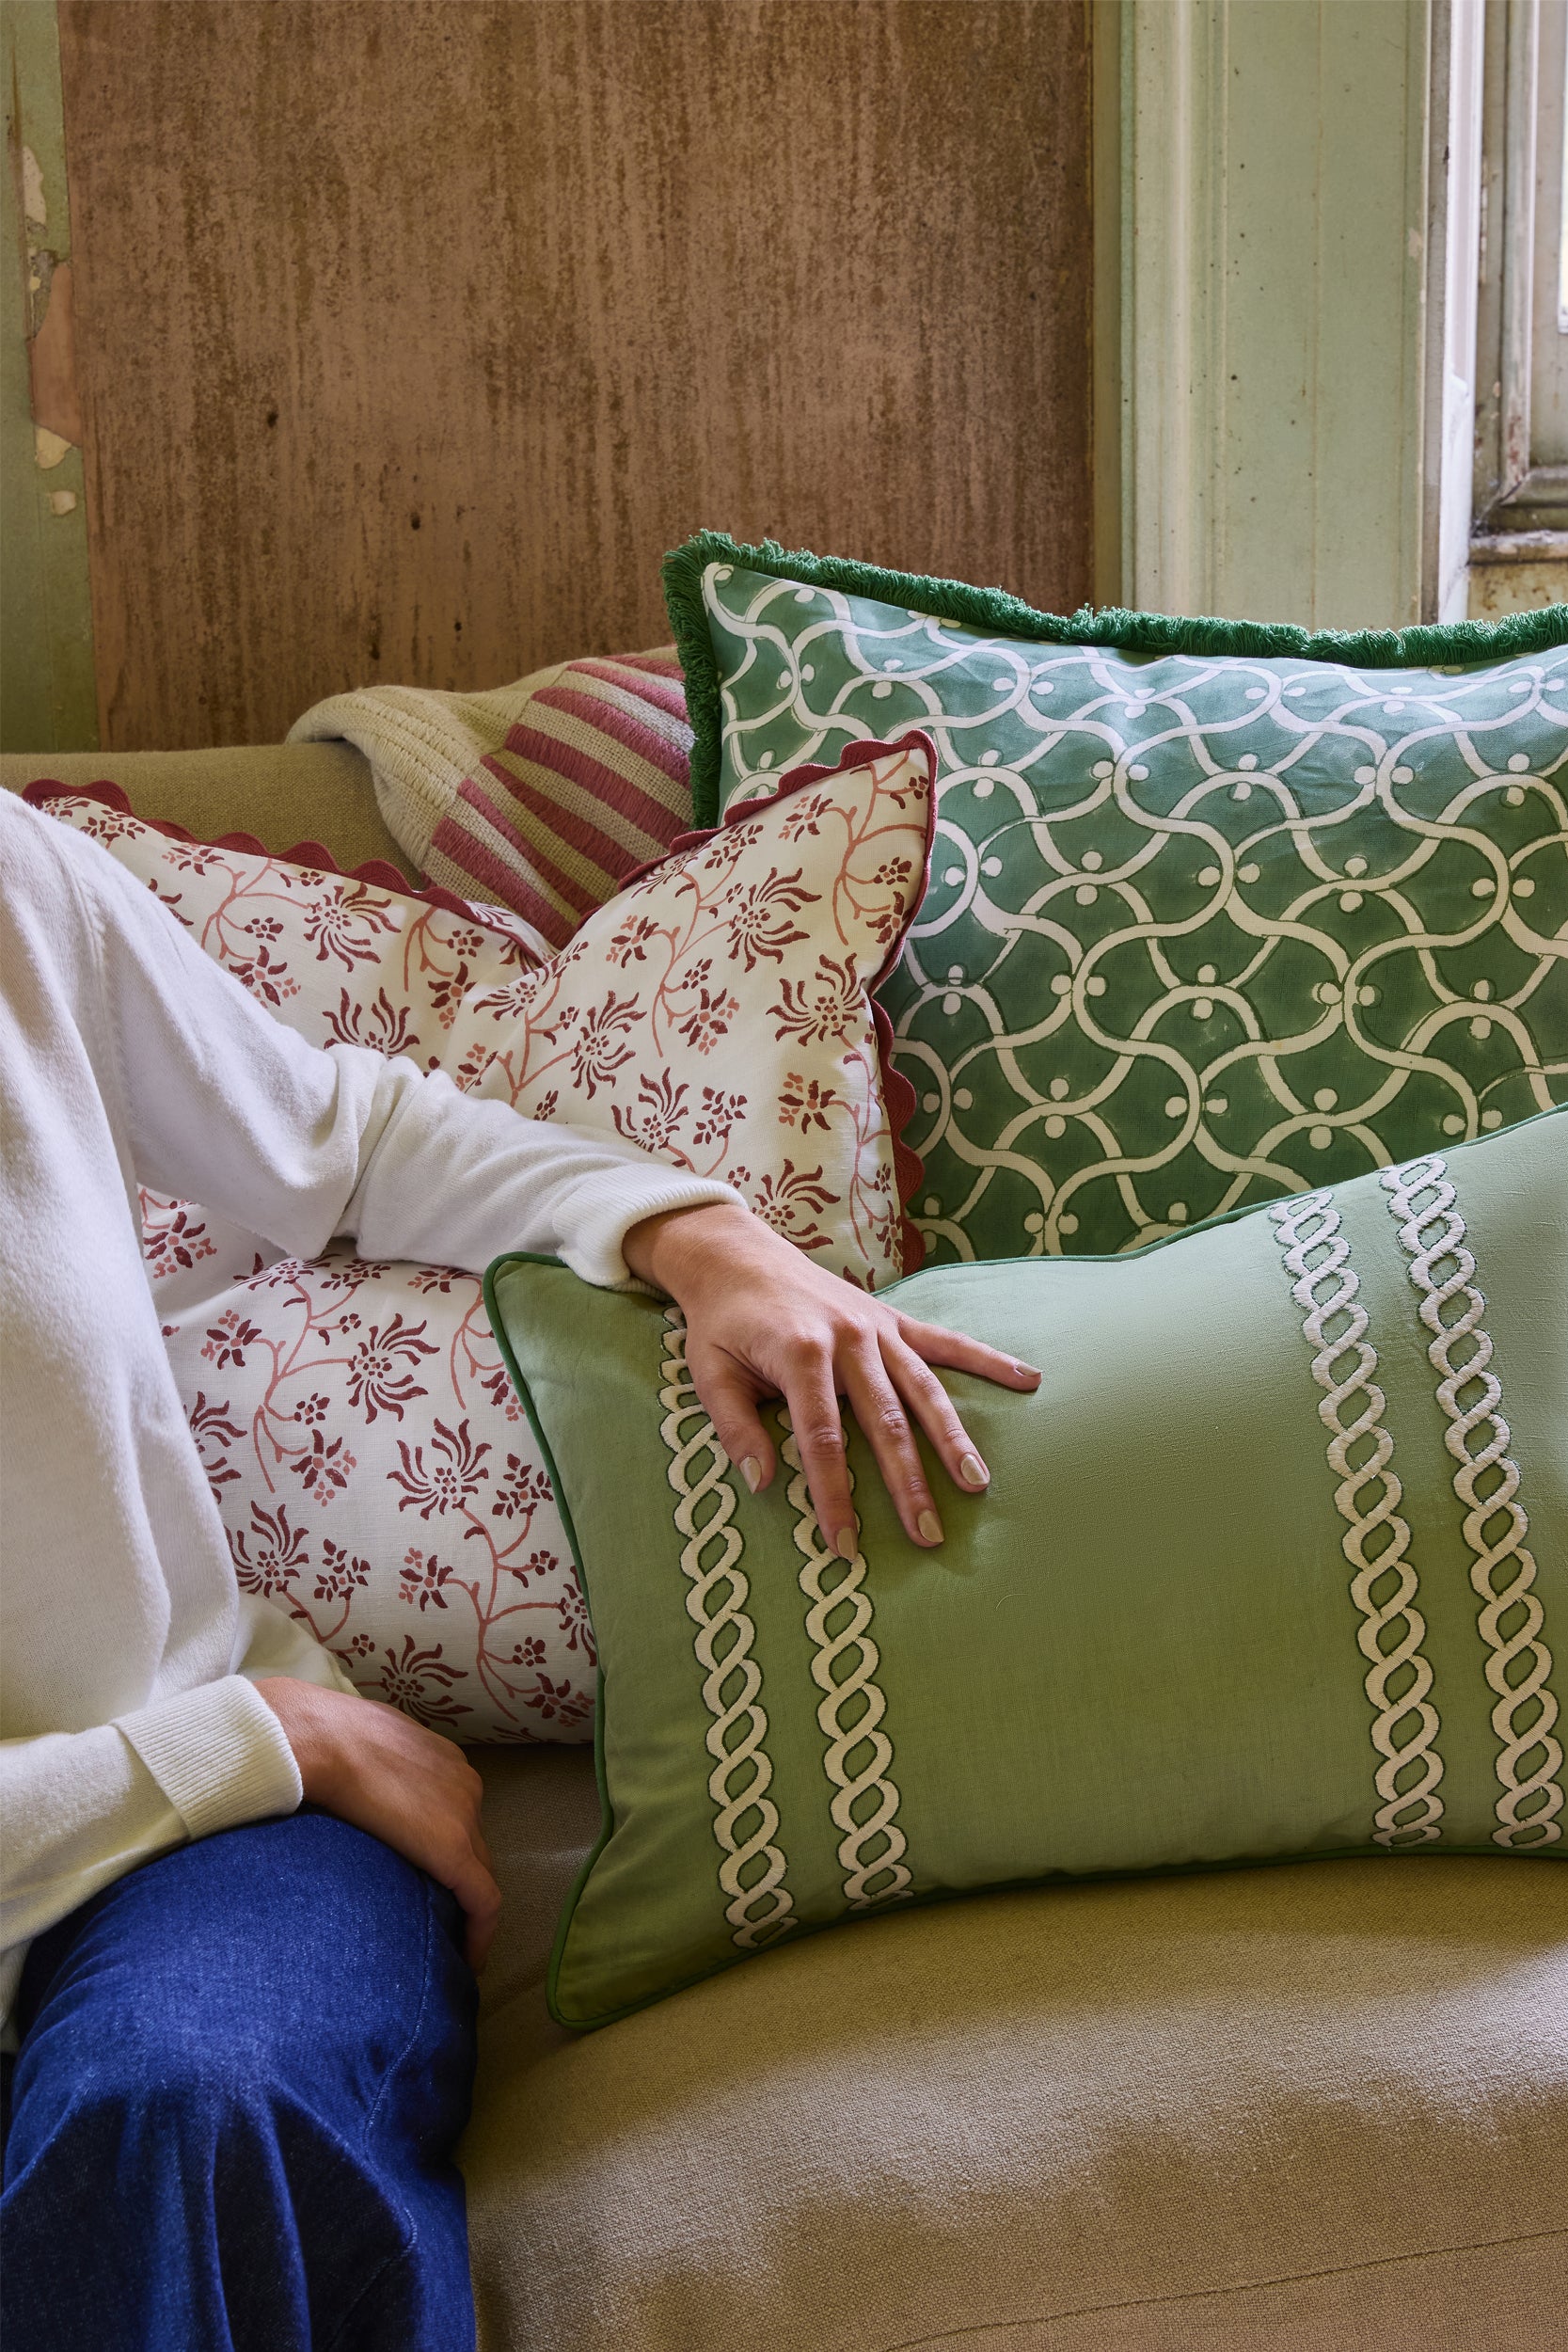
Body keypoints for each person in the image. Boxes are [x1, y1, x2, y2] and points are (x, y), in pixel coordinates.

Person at [0, 789, 1037, 2350]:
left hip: (205, 1848)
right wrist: (245, 1743)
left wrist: (695, 1234)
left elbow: (340, 1139)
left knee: (190, 2110)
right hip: (223, 1765)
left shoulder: (14, 889)